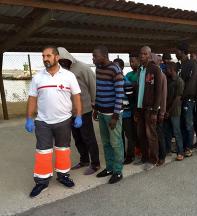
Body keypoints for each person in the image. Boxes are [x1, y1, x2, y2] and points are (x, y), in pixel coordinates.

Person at [25, 46, 82, 198]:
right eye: (43, 56)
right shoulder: (38, 77)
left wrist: (79, 115)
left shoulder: (69, 76)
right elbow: (32, 98)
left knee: (63, 149)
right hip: (42, 122)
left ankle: (63, 176)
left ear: (56, 57)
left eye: (48, 56)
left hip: (63, 120)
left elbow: (76, 96)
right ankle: (41, 182)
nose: (45, 59)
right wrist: (29, 118)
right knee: (43, 152)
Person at [57, 47, 100, 175]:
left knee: (88, 137)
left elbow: (93, 85)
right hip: (69, 111)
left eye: (63, 61)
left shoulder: (82, 68)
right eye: (59, 62)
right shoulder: (60, 71)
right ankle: (84, 160)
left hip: (84, 109)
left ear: (68, 57)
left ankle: (95, 164)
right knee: (77, 137)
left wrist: (94, 104)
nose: (62, 64)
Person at [93, 46, 124, 184]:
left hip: (113, 114)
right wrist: (96, 108)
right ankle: (109, 168)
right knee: (106, 143)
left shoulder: (115, 70)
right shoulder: (98, 68)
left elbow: (119, 94)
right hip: (102, 111)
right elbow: (99, 90)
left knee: (116, 143)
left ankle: (118, 171)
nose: (93, 59)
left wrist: (115, 116)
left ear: (104, 56)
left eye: (95, 56)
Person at [135, 46, 162, 171]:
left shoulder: (155, 69)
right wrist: (136, 108)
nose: (142, 56)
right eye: (141, 54)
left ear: (150, 55)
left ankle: (153, 159)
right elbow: (138, 90)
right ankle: (145, 157)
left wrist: (155, 110)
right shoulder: (140, 70)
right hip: (140, 108)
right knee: (141, 134)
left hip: (150, 108)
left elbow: (158, 91)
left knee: (151, 135)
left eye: (145, 54)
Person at [175, 42, 197, 157]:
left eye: (176, 51)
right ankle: (182, 145)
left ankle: (189, 147)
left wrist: (182, 96)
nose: (175, 53)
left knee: (188, 123)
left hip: (187, 99)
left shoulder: (192, 64)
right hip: (179, 99)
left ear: (182, 52)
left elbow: (191, 84)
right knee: (182, 123)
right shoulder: (178, 65)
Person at [121, 54, 139, 164]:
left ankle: (132, 154)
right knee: (128, 133)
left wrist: (133, 85)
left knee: (132, 133)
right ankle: (127, 153)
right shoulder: (128, 74)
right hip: (128, 109)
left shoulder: (141, 74)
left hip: (136, 109)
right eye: (130, 62)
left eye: (134, 61)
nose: (132, 64)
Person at [164, 62, 185, 161]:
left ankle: (180, 152)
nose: (165, 70)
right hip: (167, 110)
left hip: (174, 111)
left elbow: (177, 99)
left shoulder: (179, 81)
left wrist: (168, 111)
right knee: (167, 131)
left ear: (172, 69)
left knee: (177, 132)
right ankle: (168, 149)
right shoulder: (167, 80)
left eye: (167, 69)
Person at [151, 53, 167, 166]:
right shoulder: (147, 74)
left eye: (153, 61)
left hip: (158, 110)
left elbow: (163, 95)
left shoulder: (161, 75)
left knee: (159, 134)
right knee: (152, 134)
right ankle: (154, 155)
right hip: (149, 110)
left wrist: (162, 112)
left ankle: (162, 156)